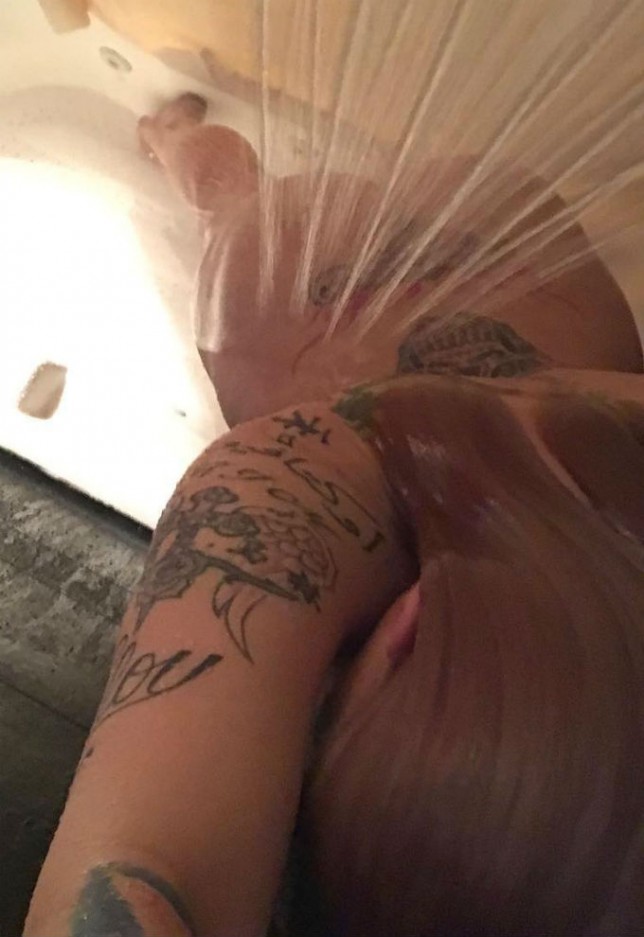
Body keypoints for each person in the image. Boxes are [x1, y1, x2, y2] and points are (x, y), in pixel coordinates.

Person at [25, 95, 644, 936]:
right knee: (226, 196)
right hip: (319, 282)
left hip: (528, 235)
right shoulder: (302, 479)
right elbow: (144, 870)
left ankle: (180, 136)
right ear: (404, 632)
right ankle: (174, 136)